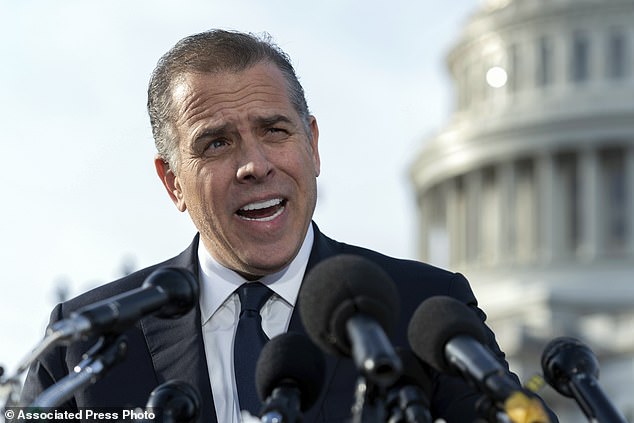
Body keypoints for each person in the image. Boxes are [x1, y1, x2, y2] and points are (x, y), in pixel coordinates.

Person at [22, 29, 537, 422]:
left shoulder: (423, 309)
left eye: (274, 131)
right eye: (217, 143)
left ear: (312, 145)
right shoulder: (83, 345)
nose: (255, 165)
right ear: (172, 181)